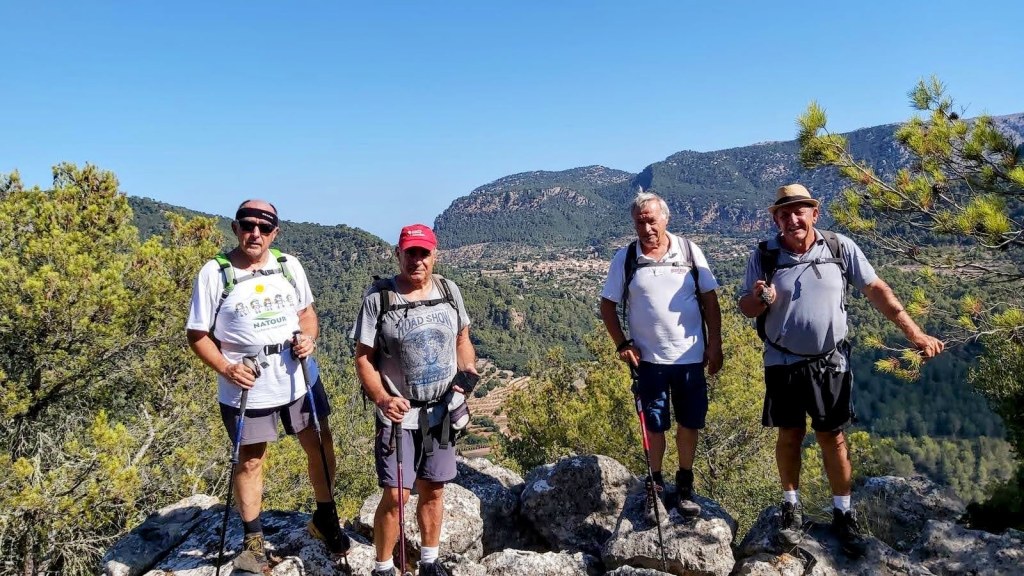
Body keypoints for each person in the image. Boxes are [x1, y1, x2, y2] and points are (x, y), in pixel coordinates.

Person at [738, 184, 944, 555]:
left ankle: (843, 514)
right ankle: (790, 506)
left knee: (832, 437)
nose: (792, 218)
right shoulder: (765, 255)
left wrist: (914, 333)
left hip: (830, 360)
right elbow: (747, 308)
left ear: (815, 214)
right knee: (789, 434)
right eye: (784, 213)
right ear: (775, 220)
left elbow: (876, 288)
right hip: (782, 360)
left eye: (800, 211)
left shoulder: (838, 247)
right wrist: (758, 297)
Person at [186, 200, 349, 573]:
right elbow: (197, 334)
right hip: (248, 385)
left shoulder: (289, 266)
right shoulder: (215, 273)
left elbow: (307, 315)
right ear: (235, 228)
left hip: (298, 377)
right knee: (252, 460)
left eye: (264, 226)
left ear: (275, 231)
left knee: (320, 443)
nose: (254, 233)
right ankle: (253, 542)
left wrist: (309, 339)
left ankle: (325, 518)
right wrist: (227, 368)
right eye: (247, 225)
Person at [353, 224, 477, 576]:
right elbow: (363, 357)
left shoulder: (449, 291)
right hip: (399, 415)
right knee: (396, 495)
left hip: (441, 412)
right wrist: (380, 398)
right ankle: (382, 566)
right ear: (399, 254)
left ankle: (429, 561)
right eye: (411, 253)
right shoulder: (380, 298)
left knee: (434, 489)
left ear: (435, 255)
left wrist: (466, 376)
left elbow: (463, 337)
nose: (417, 260)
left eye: (424, 253)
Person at [600, 191, 723, 517]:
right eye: (640, 222)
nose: (646, 228)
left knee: (689, 423)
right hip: (649, 362)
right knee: (654, 427)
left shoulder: (688, 251)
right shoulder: (625, 258)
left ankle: (684, 487)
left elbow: (711, 301)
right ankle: (654, 489)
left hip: (690, 358)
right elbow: (607, 305)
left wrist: (715, 345)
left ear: (665, 219)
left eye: (651, 220)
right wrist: (622, 344)